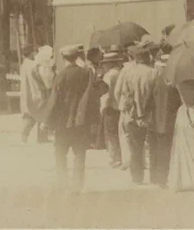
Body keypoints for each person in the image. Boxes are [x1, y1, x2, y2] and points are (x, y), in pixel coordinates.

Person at [41, 44, 94, 194]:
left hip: (62, 122)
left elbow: (54, 100)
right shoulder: (86, 73)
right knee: (79, 153)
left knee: (60, 153)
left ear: (63, 58)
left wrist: (46, 121)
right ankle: (77, 185)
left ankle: (61, 182)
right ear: (76, 57)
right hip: (80, 121)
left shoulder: (61, 76)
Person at [120, 43, 157, 185]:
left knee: (135, 148)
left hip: (132, 116)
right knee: (152, 146)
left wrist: (133, 113)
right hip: (150, 115)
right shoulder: (154, 72)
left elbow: (126, 96)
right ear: (148, 57)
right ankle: (155, 176)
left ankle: (137, 178)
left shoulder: (128, 73)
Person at [150, 43, 181, 187]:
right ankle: (163, 178)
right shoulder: (173, 82)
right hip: (170, 120)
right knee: (166, 150)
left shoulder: (156, 80)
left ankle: (157, 177)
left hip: (157, 120)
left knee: (158, 149)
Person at [100, 46, 124, 167]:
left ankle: (114, 157)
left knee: (111, 133)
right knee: (118, 132)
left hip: (110, 107)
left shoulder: (109, 75)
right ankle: (120, 156)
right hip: (120, 106)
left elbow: (106, 93)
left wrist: (103, 108)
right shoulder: (121, 72)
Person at [20, 45, 49, 144]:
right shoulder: (33, 65)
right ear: (32, 53)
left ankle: (25, 137)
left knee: (31, 115)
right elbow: (40, 78)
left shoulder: (24, 64)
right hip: (36, 92)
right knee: (39, 115)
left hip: (28, 93)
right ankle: (41, 137)